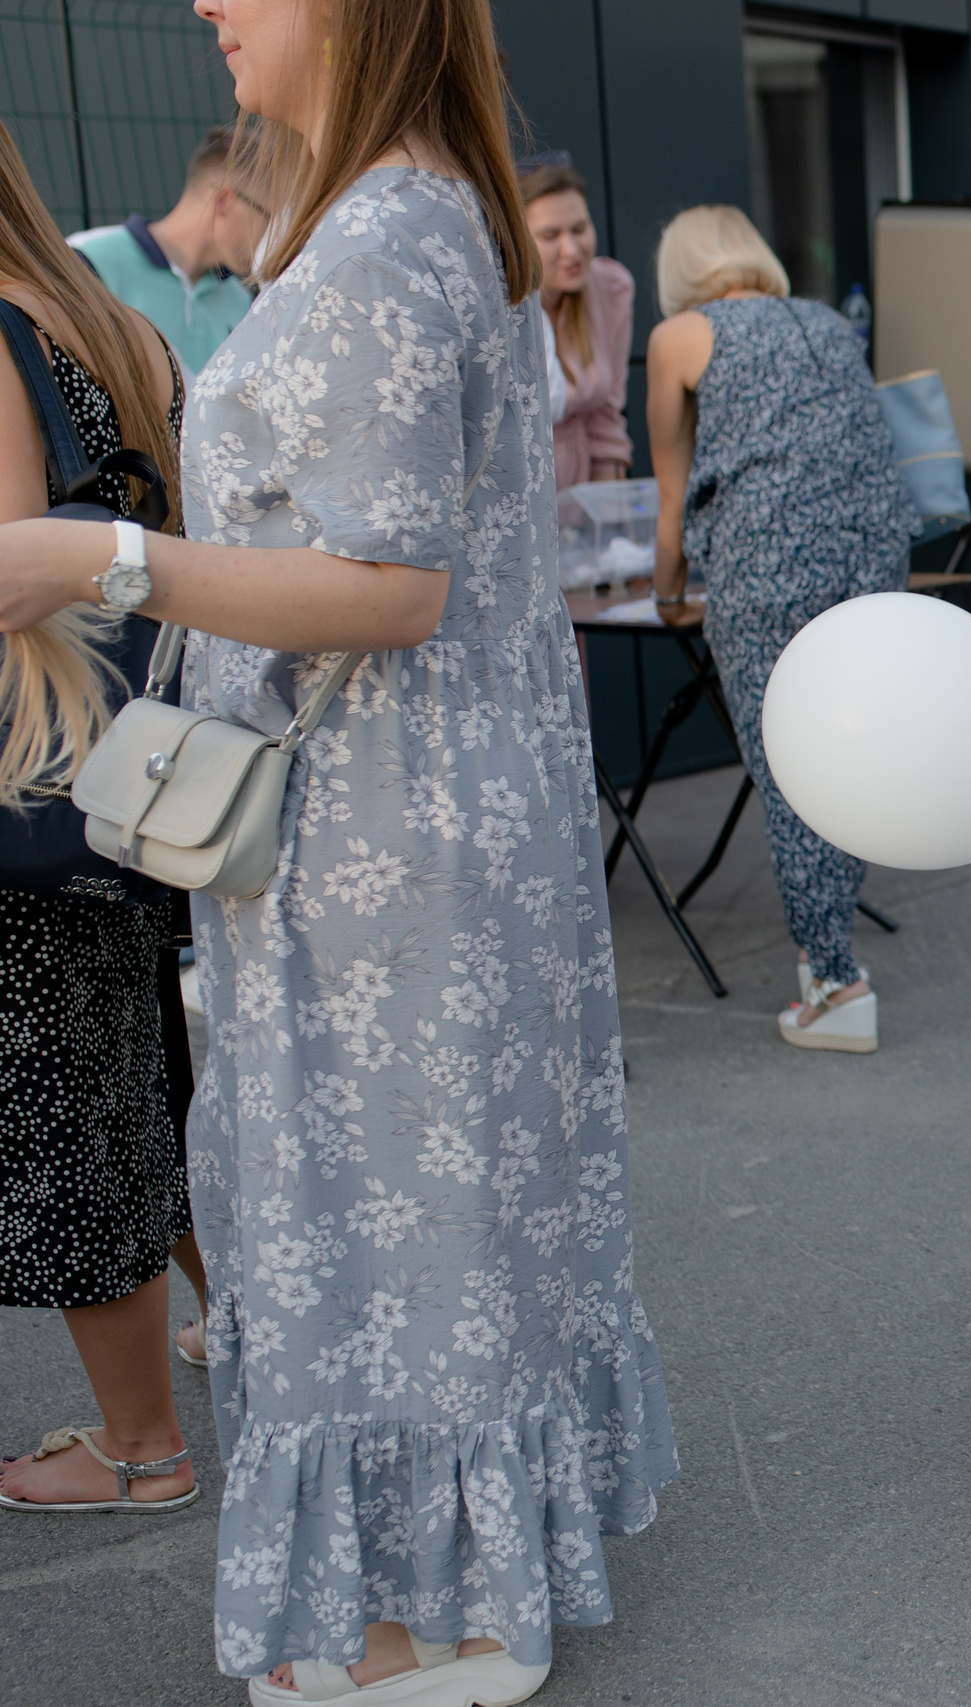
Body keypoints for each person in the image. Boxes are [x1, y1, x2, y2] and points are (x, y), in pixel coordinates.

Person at [0, 1, 684, 1693]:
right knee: (429, 1223)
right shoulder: (414, 207)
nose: (209, 10)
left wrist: (102, 559)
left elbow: (394, 584)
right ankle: (455, 1584)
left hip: (394, 838)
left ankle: (428, 1612)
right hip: (418, 819)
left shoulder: (386, 230)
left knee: (387, 1230)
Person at [0, 117, 208, 1521]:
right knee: (151, 1093)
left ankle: (143, 1445)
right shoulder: (109, 318)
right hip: (131, 762)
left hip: (25, 760)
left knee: (71, 1115)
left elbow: (11, 564)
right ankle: (265, 1329)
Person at [646, 205, 918, 1052]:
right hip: (873, 552)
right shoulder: (829, 324)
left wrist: (666, 594)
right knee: (850, 751)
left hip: (767, 563)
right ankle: (831, 948)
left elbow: (670, 492)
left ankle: (835, 983)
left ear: (683, 269)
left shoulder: (681, 336)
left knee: (791, 762)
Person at [68, 125, 264, 377]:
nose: (276, 235)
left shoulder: (242, 301)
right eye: (269, 216)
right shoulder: (88, 259)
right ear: (224, 200)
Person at [519, 154, 634, 487]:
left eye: (580, 229)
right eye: (551, 235)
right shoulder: (502, 306)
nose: (572, 250)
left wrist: (608, 525)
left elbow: (607, 421)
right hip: (524, 499)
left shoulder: (609, 288)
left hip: (585, 499)